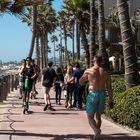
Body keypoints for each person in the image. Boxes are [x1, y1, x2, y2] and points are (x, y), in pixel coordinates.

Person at [79, 55, 113, 140]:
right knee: (98, 116)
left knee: (90, 116)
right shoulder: (105, 72)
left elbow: (80, 81)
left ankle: (96, 131)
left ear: (93, 61)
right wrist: (110, 99)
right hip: (102, 94)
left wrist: (86, 79)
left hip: (93, 94)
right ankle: (96, 135)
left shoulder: (89, 71)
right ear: (101, 62)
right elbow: (109, 87)